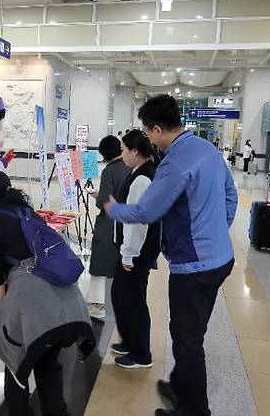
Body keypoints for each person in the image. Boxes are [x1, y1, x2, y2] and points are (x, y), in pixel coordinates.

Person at [105, 94, 236, 416]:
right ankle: (178, 387)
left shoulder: (174, 161)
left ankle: (194, 410)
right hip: (221, 258)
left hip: (193, 266)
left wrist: (113, 209)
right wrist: (216, 231)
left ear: (159, 129)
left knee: (187, 341)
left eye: (148, 133)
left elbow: (148, 210)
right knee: (191, 332)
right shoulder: (207, 149)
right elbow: (230, 197)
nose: (148, 139)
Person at [0, 170, 95, 416]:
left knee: (16, 366)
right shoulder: (28, 214)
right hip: (70, 307)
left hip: (34, 309)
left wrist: (3, 311)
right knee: (48, 363)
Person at [110, 130, 161, 369]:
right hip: (137, 248)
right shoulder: (138, 172)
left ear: (135, 152)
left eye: (123, 150)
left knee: (133, 299)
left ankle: (141, 354)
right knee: (122, 295)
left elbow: (137, 220)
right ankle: (130, 341)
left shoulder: (142, 179)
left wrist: (129, 253)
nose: (121, 154)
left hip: (138, 250)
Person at [86, 135, 130, 320]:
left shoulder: (109, 171)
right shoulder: (130, 166)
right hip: (127, 223)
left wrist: (97, 195)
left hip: (109, 225)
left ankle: (98, 306)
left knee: (101, 264)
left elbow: (104, 202)